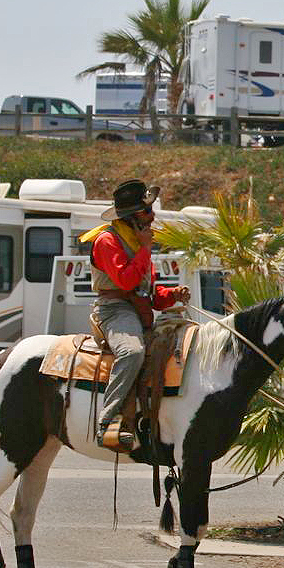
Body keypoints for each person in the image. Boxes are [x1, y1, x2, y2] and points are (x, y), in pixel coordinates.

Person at [79, 179, 189, 452]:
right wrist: (144, 249)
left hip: (138, 309)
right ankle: (108, 422)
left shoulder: (136, 240)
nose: (152, 215)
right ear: (132, 217)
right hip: (114, 310)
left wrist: (173, 294)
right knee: (131, 352)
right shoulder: (107, 240)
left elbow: (149, 294)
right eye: (146, 211)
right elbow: (126, 281)